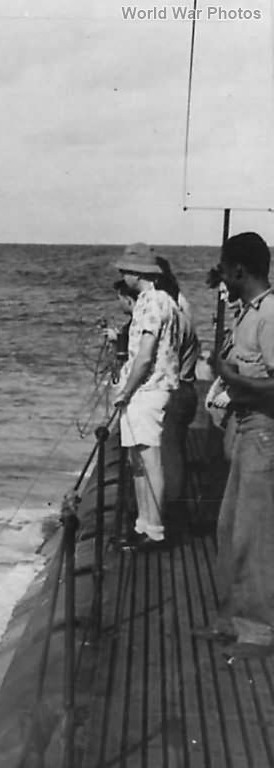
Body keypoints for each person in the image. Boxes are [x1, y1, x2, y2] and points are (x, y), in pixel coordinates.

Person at [211, 231, 274, 656]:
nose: (223, 279)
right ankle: (233, 618)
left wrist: (232, 379)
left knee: (255, 533)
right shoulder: (249, 313)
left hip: (265, 431)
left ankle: (259, 629)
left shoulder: (270, 315)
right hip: (247, 425)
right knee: (230, 528)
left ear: (240, 270)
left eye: (226, 271)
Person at [112, 242, 184, 549]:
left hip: (149, 388)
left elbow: (144, 355)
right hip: (143, 389)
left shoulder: (153, 302)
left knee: (149, 459)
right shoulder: (153, 300)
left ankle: (154, 528)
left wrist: (125, 391)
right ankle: (143, 523)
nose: (122, 274)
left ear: (136, 272)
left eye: (125, 270)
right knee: (137, 460)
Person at [155, 256, 202, 524]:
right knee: (175, 454)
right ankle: (175, 511)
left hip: (177, 390)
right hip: (186, 389)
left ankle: (170, 517)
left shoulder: (173, 318)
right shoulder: (182, 311)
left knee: (170, 457)